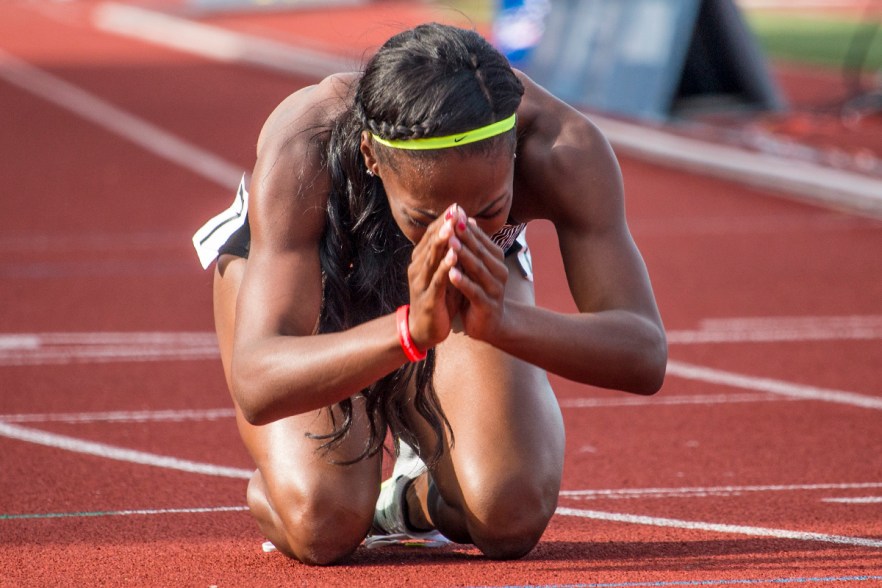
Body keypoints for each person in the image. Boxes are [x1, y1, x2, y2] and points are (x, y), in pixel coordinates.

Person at [193, 22, 666, 566]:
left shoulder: (564, 150)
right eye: (424, 215)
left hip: (463, 297)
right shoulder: (306, 143)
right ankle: (296, 474)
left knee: (509, 513)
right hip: (322, 281)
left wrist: (505, 323)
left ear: (514, 150)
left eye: (490, 210)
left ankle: (408, 501)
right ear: (371, 157)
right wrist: (407, 333)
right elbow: (258, 377)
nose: (453, 232)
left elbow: (643, 352)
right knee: (322, 522)